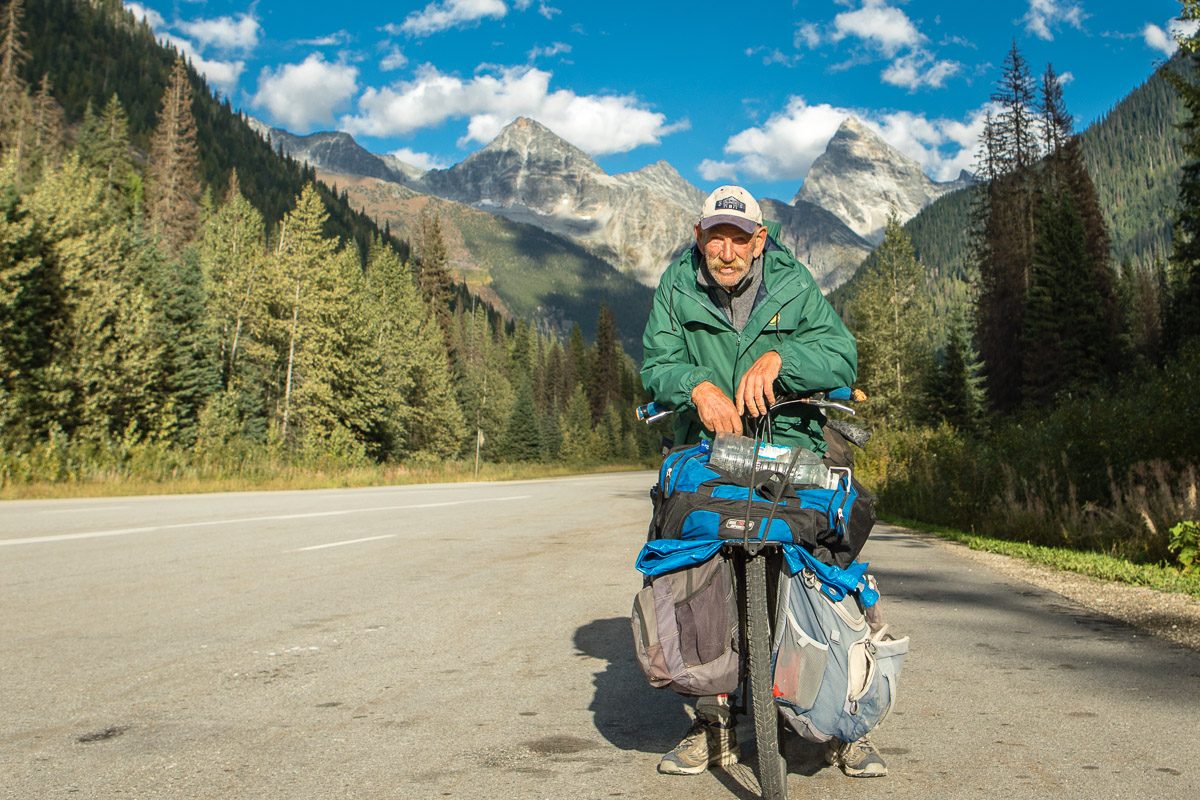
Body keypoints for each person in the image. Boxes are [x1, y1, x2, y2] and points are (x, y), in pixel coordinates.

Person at [639, 185, 887, 779]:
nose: (725, 252)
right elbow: (657, 363)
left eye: (739, 239)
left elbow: (840, 353)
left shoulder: (792, 284)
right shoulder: (678, 287)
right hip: (712, 451)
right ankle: (709, 720)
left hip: (790, 443)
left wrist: (785, 361)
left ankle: (842, 720)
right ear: (699, 237)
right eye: (714, 237)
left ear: (760, 240)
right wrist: (696, 386)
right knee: (688, 555)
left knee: (827, 555)